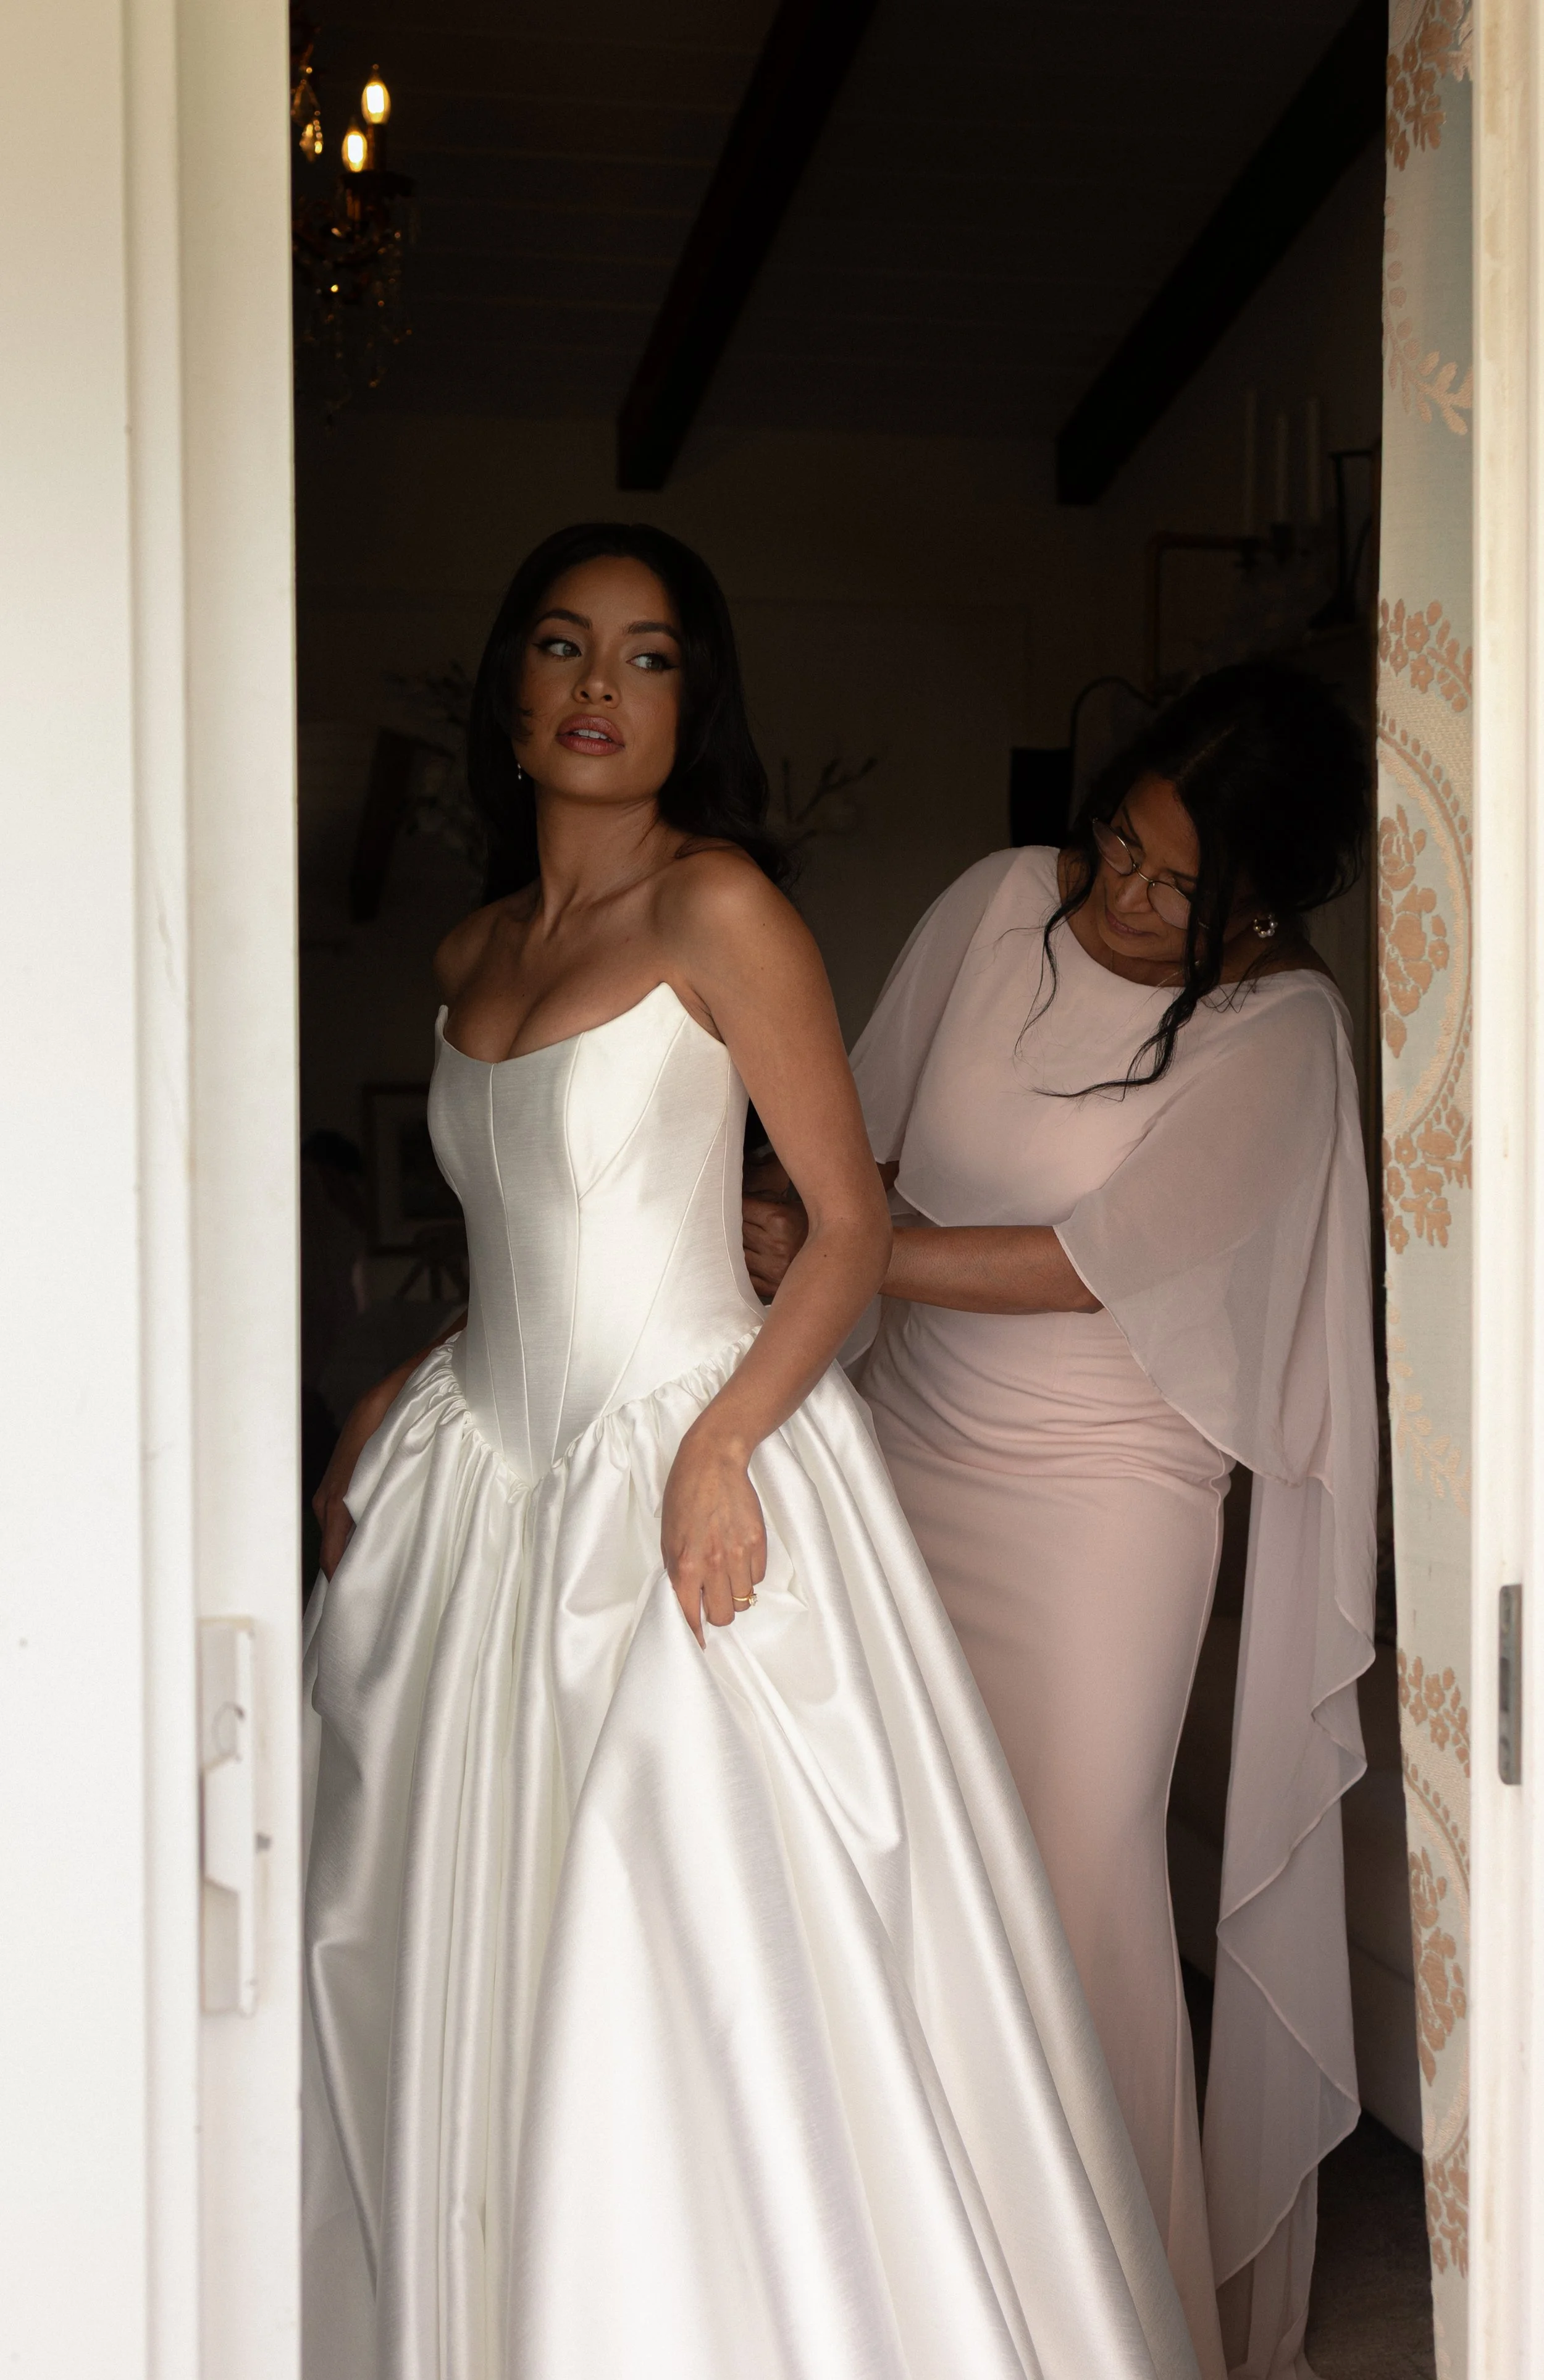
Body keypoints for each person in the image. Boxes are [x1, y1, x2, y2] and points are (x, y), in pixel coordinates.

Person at [302, 522, 1201, 2380]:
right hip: (495, 1475)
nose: (599, 689)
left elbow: (850, 1227)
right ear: (513, 689)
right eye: (562, 647)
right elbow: (541, 1239)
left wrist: (720, 1446)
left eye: (644, 657)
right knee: (473, 1935)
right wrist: (420, 1376)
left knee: (683, 1916)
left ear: (689, 703)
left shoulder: (724, 910)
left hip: (694, 1442)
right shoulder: (473, 947)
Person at [744, 666, 1378, 2380]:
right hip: (905, 1452)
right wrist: (779, 1232)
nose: (1116, 897)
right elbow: (846, 1148)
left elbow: (1089, 1266)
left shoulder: (1284, 1037)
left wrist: (835, 1256)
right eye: (1114, 843)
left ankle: (1107, 2324)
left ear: (1262, 906)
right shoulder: (990, 906)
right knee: (895, 1865)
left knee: (1078, 1872)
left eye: (1174, 886)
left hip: (1108, 1499)